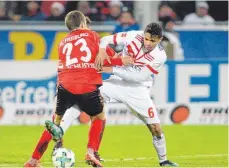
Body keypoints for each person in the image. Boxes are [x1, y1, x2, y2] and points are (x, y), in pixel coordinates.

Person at [24, 15, 133, 167]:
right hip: (86, 86)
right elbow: (102, 60)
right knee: (99, 117)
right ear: (83, 23)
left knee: (55, 125)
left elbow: (63, 66)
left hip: (64, 87)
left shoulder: (62, 42)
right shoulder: (93, 36)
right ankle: (91, 152)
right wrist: (121, 60)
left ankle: (33, 161)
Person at [96, 22, 178, 167]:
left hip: (138, 89)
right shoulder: (133, 35)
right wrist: (102, 50)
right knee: (90, 98)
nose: (148, 43)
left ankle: (164, 161)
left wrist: (112, 69)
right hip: (117, 82)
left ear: (159, 39)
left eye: (152, 41)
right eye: (146, 39)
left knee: (156, 129)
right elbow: (106, 39)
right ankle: (87, 148)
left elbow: (138, 77)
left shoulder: (160, 56)